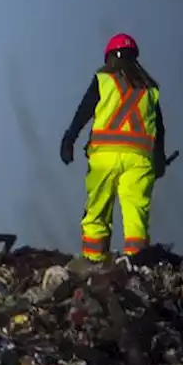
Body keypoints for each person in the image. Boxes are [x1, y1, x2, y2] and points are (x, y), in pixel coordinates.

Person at [59, 33, 167, 261]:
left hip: (104, 158)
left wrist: (69, 139)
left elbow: (84, 111)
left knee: (97, 212)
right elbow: (159, 129)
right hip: (139, 161)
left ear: (109, 56)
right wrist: (159, 161)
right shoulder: (150, 88)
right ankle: (136, 265)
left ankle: (94, 261)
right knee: (136, 217)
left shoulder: (104, 79)